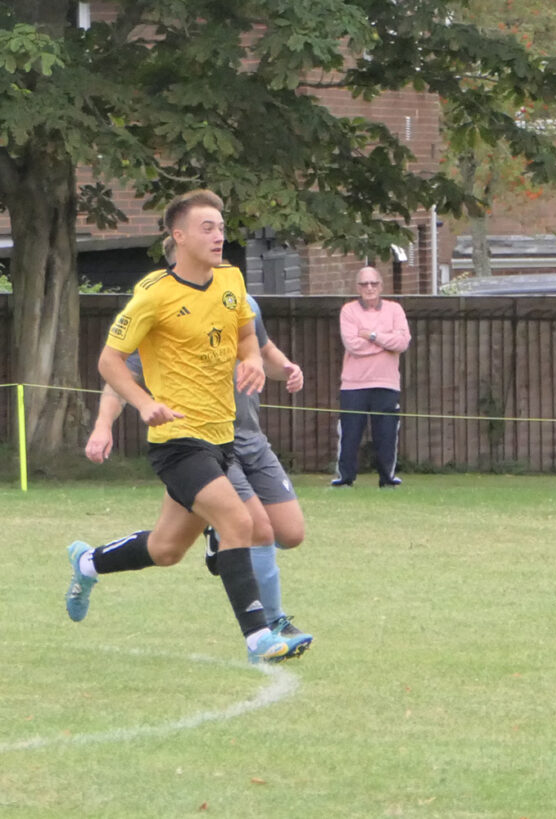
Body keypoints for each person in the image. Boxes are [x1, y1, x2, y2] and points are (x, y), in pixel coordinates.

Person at [64, 188, 311, 663]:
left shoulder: (232, 281)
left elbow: (245, 333)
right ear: (178, 236)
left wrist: (255, 360)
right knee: (240, 522)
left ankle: (88, 562)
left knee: (166, 549)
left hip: (223, 442)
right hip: (178, 442)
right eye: (207, 227)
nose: (219, 235)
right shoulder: (154, 295)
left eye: (221, 227)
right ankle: (260, 636)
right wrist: (143, 404)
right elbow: (109, 361)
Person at [331, 265, 411, 488]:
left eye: (373, 283)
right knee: (350, 434)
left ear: (381, 286)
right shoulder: (348, 311)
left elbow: (402, 343)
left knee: (386, 434)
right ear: (357, 287)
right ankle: (345, 479)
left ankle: (387, 479)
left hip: (387, 383)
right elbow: (353, 345)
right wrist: (386, 343)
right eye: (364, 284)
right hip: (354, 385)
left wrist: (372, 336)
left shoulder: (395, 310)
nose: (369, 288)